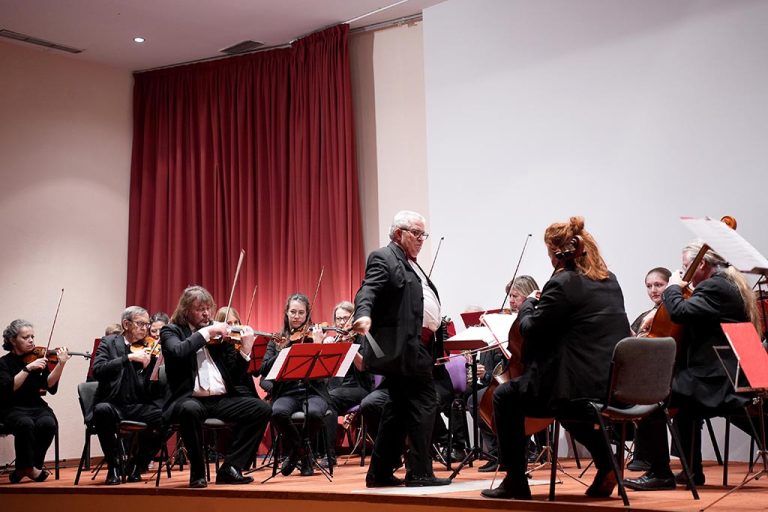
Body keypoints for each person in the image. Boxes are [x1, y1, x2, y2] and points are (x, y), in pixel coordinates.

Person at [481, 216, 630, 500]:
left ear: (558, 253)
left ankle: (515, 482)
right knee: (568, 408)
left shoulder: (562, 283)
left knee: (505, 395)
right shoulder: (609, 280)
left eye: (549, 253)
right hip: (611, 384)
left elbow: (532, 331)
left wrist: (528, 305)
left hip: (576, 386)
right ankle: (607, 464)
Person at [624, 242, 762, 490]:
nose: (683, 272)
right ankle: (691, 471)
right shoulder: (727, 284)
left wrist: (674, 287)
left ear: (701, 264)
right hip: (725, 373)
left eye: (686, 267)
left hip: (718, 379)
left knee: (653, 398)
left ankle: (660, 473)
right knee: (685, 411)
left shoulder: (714, 286)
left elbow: (680, 312)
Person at [352, 210, 451, 488]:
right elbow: (367, 290)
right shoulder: (384, 257)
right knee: (424, 403)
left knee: (396, 410)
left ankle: (380, 473)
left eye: (423, 234)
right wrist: (363, 313)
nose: (421, 239)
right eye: (416, 233)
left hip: (418, 347)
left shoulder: (411, 263)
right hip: (406, 349)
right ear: (399, 233)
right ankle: (419, 472)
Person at [160, 285, 271, 488]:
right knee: (189, 409)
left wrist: (245, 351)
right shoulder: (172, 331)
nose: (206, 313)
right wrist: (205, 333)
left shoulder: (220, 337)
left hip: (220, 400)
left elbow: (235, 374)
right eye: (199, 309)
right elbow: (177, 352)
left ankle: (231, 467)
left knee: (261, 409)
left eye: (208, 308)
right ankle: (198, 471)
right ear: (186, 311)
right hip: (188, 399)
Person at [259, 293, 330, 477]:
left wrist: (318, 345)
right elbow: (264, 369)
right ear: (286, 313)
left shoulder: (315, 336)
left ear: (307, 315)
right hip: (287, 393)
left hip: (313, 391)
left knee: (314, 413)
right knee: (277, 413)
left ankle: (296, 454)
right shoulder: (278, 340)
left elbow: (325, 374)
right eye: (293, 312)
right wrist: (285, 347)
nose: (297, 316)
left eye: (301, 312)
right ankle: (302, 453)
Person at [91, 306, 164, 484]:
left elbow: (152, 388)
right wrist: (128, 358)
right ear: (126, 324)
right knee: (101, 410)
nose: (145, 328)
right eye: (141, 324)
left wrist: (155, 370)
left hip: (138, 404)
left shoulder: (150, 348)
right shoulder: (109, 343)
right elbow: (98, 370)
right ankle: (114, 465)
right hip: (113, 403)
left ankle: (137, 463)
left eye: (147, 324)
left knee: (167, 417)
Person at [0, 319, 71, 483]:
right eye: (25, 337)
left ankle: (27, 468)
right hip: (11, 407)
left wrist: (61, 364)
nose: (31, 340)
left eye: (32, 336)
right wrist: (28, 369)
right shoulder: (3, 363)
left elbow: (49, 386)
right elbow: (7, 389)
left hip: (35, 405)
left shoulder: (38, 357)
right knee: (25, 424)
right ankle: (31, 470)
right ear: (12, 340)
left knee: (48, 423)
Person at [322, 301, 370, 468]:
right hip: (336, 389)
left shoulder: (362, 337)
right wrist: (324, 348)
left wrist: (350, 347)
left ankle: (329, 454)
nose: (342, 323)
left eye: (345, 318)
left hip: (359, 388)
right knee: (318, 399)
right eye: (338, 319)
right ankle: (318, 452)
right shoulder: (335, 339)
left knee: (329, 399)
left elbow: (363, 366)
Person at [629, 267, 672, 336]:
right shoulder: (644, 316)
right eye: (649, 286)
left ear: (670, 285)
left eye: (658, 285)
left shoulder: (676, 313)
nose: (653, 290)